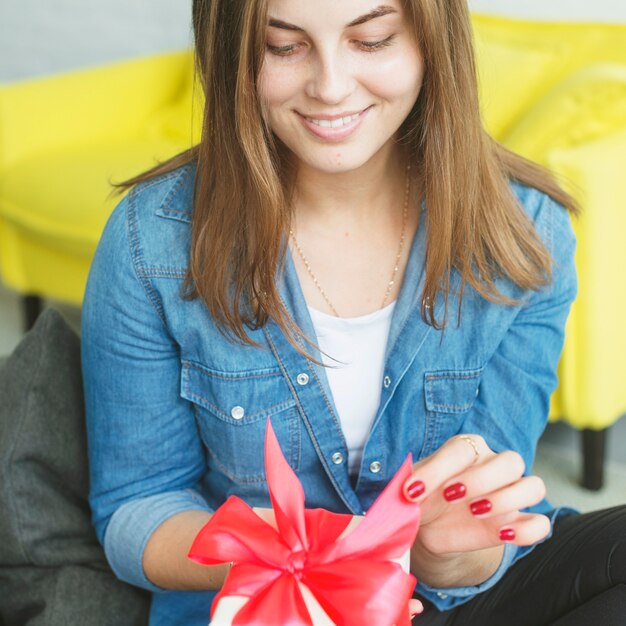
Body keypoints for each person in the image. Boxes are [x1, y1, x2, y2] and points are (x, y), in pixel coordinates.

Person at [81, 0, 625, 624]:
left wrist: (442, 554)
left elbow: (493, 497)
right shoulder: (152, 241)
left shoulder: (524, 230)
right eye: (282, 47)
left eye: (371, 39)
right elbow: (135, 508)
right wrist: (310, 557)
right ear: (231, 52)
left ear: (430, 42)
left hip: (449, 599)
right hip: (267, 606)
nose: (331, 87)